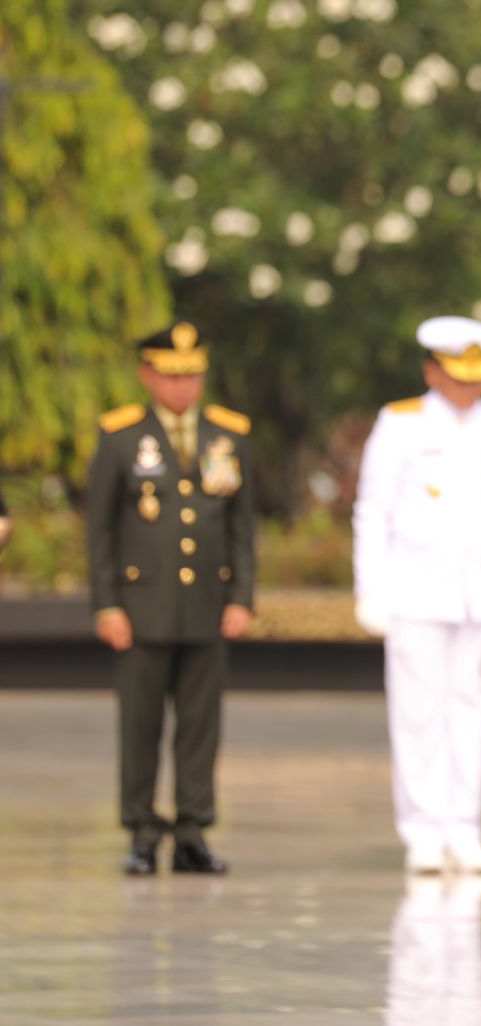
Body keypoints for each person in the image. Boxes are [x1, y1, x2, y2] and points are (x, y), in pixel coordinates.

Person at [353, 316, 481, 874]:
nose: (470, 388)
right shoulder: (399, 423)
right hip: (416, 592)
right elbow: (373, 510)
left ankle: (462, 826)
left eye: (479, 377)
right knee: (417, 714)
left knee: (474, 713)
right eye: (459, 376)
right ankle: (423, 830)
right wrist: (371, 590)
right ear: (433, 370)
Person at [85, 321, 255, 876]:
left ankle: (192, 830)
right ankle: (140, 829)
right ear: (147, 375)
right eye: (171, 376)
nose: (183, 387)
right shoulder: (121, 437)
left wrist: (241, 597)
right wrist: (107, 604)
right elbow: (101, 530)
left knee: (201, 724)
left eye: (192, 376)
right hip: (142, 608)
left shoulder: (226, 435)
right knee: (140, 724)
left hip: (207, 605)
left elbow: (241, 527)